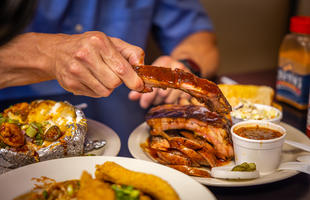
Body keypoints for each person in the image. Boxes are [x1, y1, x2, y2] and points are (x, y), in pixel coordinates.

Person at [0, 0, 218, 155]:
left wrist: (185, 67)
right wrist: (51, 53)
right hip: (12, 109)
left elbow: (198, 36)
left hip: (125, 111)